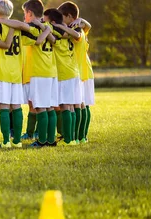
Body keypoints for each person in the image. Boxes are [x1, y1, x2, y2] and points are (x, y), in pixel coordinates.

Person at [0, 0, 57, 147]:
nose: (24, 17)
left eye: (25, 14)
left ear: (30, 13)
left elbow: (29, 33)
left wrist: (1, 21)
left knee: (41, 107)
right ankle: (51, 139)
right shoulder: (48, 26)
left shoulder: (33, 27)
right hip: (51, 70)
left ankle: (42, 140)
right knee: (49, 107)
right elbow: (54, 40)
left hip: (39, 71)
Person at [0, 0, 43, 148]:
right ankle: (17, 141)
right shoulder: (17, 27)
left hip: (1, 72)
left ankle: (6, 142)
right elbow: (35, 34)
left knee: (3, 107)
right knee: (16, 107)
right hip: (16, 73)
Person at [44, 8, 82, 145]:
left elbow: (51, 38)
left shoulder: (59, 36)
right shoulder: (69, 33)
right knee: (70, 106)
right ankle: (72, 138)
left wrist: (47, 27)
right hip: (73, 72)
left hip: (64, 74)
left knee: (66, 105)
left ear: (53, 22)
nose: (44, 23)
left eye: (46, 21)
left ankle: (68, 139)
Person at [59, 1, 94, 143]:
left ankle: (80, 136)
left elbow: (80, 33)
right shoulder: (79, 27)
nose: (62, 21)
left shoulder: (77, 29)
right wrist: (82, 21)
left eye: (63, 17)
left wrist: (61, 26)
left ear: (69, 16)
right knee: (82, 104)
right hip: (83, 69)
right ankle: (81, 136)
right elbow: (88, 26)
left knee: (80, 104)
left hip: (81, 70)